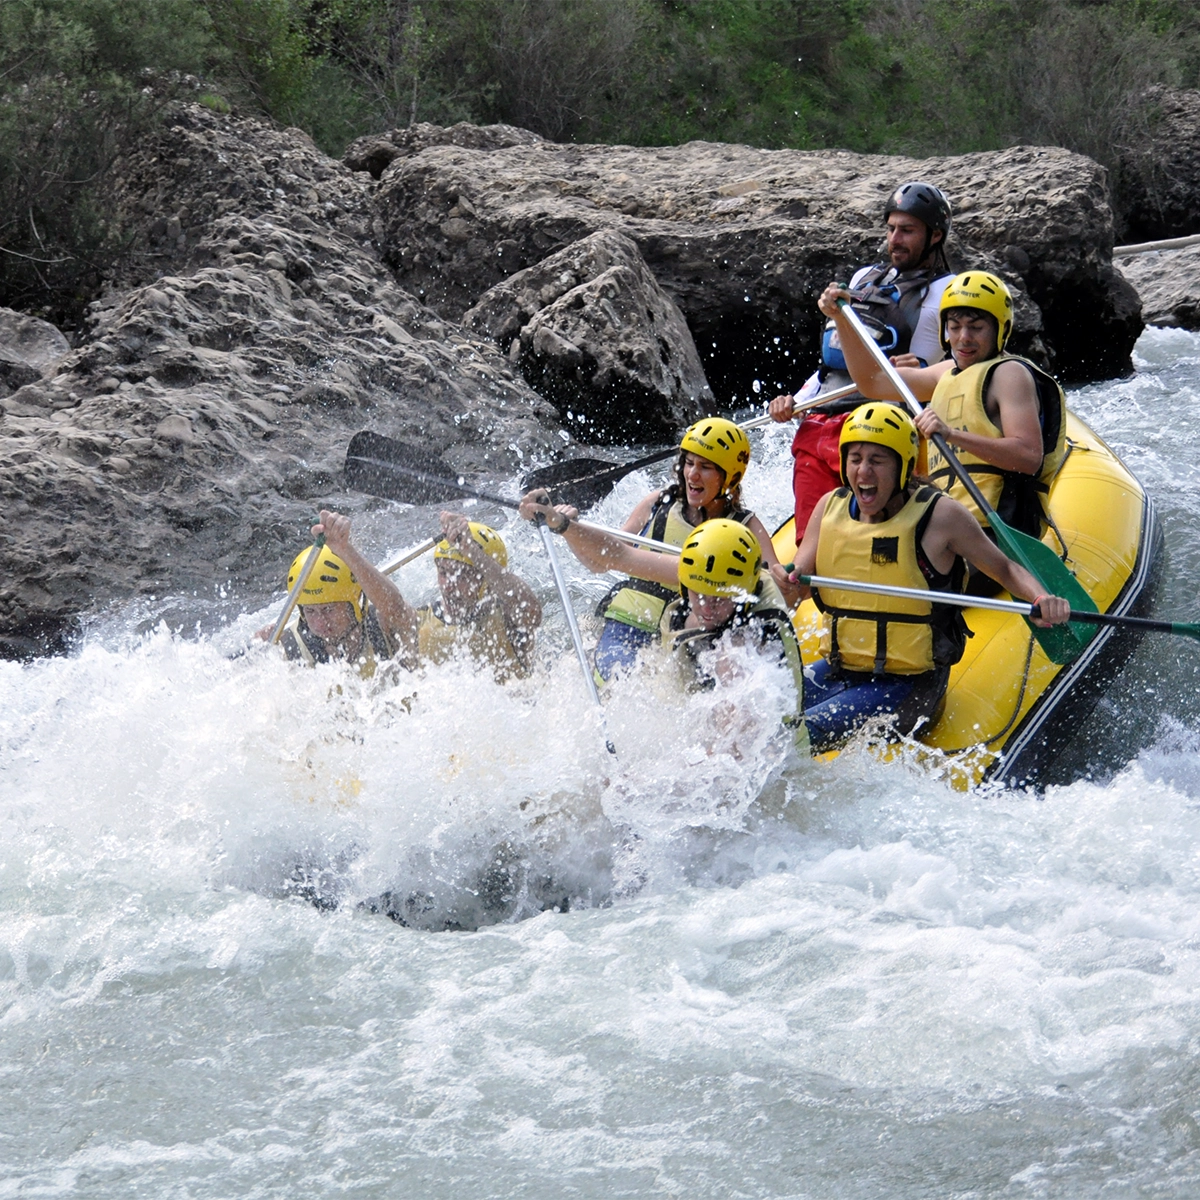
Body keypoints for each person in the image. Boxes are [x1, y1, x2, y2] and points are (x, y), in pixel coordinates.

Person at [770, 404, 1071, 752]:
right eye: (854, 458)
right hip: (841, 669)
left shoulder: (940, 515)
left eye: (877, 460)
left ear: (902, 465)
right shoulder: (829, 506)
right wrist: (787, 581)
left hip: (910, 687)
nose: (863, 471)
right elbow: (799, 584)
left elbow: (1005, 568)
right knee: (762, 714)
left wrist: (1040, 599)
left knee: (795, 735)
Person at [817, 271, 1067, 561]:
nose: (963, 338)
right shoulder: (944, 373)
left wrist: (951, 434)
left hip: (998, 531)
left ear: (1001, 329)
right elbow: (871, 381)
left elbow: (1028, 457)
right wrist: (842, 321)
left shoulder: (1008, 374)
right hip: (947, 527)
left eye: (976, 327)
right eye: (955, 326)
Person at [517, 494, 804, 723]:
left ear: (743, 590)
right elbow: (619, 554)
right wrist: (562, 524)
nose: (705, 605)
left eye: (718, 598)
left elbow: (732, 759)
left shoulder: (742, 650)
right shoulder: (710, 570)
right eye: (697, 593)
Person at [769, 181, 955, 533]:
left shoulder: (946, 293)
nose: (895, 239)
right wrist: (798, 400)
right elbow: (834, 363)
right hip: (822, 423)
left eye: (907, 230)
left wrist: (926, 368)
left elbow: (955, 371)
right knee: (812, 536)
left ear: (935, 235)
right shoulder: (864, 278)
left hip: (880, 428)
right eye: (891, 229)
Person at [588, 417, 780, 683]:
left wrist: (785, 581)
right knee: (619, 682)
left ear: (730, 477)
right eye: (689, 463)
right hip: (633, 622)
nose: (692, 474)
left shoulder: (747, 526)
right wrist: (565, 525)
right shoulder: (658, 503)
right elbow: (599, 561)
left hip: (693, 634)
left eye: (705, 467)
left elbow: (774, 593)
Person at [267, 510, 542, 681]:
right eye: (442, 572)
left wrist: (472, 552)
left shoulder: (510, 616)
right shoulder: (422, 623)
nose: (449, 585)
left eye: (465, 575)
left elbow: (526, 604)